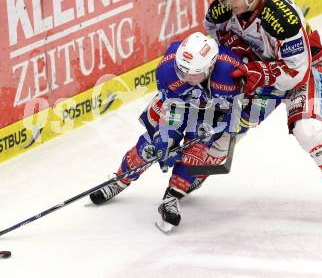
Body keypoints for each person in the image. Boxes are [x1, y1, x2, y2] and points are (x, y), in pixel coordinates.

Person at [204, 0, 322, 225]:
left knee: (308, 129)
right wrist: (235, 49)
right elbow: (213, 31)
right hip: (256, 69)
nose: (225, 1)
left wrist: (258, 72)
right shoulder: (222, 9)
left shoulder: (282, 18)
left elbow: (296, 72)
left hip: (301, 71)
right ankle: (188, 179)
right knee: (222, 126)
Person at [89, 32, 244, 232]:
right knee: (150, 147)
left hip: (211, 113)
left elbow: (237, 112)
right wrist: (164, 140)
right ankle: (119, 180)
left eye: (193, 72)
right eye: (182, 69)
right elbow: (170, 108)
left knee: (196, 151)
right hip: (178, 106)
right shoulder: (168, 69)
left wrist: (216, 128)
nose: (185, 77)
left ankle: (173, 196)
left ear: (210, 67)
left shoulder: (230, 72)